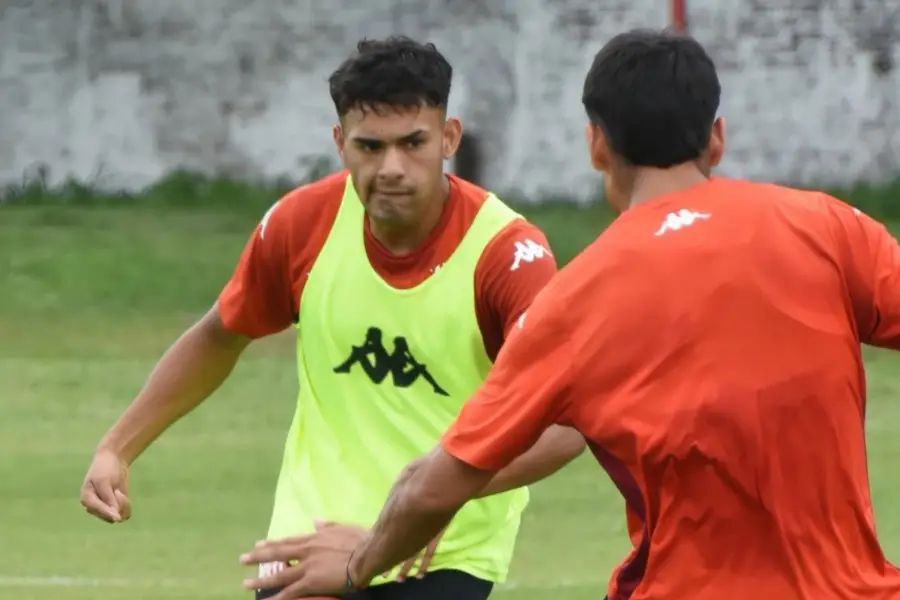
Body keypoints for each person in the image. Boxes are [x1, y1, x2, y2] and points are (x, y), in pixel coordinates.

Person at [239, 28, 900, 600]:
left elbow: (436, 482)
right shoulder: (830, 229)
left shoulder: (582, 297)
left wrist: (358, 566)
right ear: (717, 138)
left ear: (596, 145)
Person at [79, 36, 586, 600]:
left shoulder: (507, 256)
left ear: (449, 137)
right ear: (341, 143)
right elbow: (220, 336)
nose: (391, 167)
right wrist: (116, 447)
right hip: (311, 538)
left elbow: (566, 425)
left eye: (413, 142)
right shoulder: (303, 225)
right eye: (370, 147)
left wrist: (437, 496)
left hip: (441, 551)